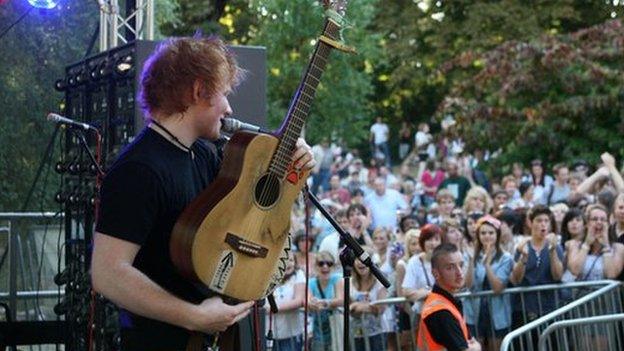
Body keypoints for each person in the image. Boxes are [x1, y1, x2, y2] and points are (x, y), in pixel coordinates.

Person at [90, 36, 316, 350]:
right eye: (223, 93)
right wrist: (193, 316)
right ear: (199, 91)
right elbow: (107, 274)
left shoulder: (204, 154)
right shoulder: (138, 170)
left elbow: (251, 210)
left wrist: (293, 160)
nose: (229, 107)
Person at [417, 243, 482, 351]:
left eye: (461, 265)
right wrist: (477, 348)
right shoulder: (440, 312)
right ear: (436, 273)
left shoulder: (446, 302)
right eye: (450, 267)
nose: (459, 272)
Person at [509, 206, 564, 332]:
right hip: (524, 308)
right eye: (539, 221)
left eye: (546, 221)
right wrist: (524, 256)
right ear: (530, 223)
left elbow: (557, 276)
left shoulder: (556, 247)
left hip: (549, 308)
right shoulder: (522, 246)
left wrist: (552, 251)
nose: (543, 224)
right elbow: (517, 279)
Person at [464, 216, 513, 351]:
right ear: (478, 235)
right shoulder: (471, 254)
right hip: (474, 311)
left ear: (497, 235)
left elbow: (498, 287)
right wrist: (470, 261)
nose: (487, 236)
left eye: (491, 233)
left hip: (498, 313)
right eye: (483, 233)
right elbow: (467, 285)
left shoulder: (505, 257)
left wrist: (487, 265)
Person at [266, 252, 305, 351]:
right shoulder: (267, 276)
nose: (288, 263)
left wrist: (272, 309)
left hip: (290, 335)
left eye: (291, 260)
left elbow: (298, 300)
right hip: (268, 333)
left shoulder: (298, 275)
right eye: (285, 260)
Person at [309, 251, 344, 351]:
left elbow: (341, 299)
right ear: (316, 266)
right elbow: (308, 300)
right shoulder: (311, 282)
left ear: (333, 266)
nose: (325, 266)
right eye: (321, 263)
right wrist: (314, 303)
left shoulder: (337, 279)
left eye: (329, 263)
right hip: (318, 326)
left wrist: (323, 302)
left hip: (335, 323)